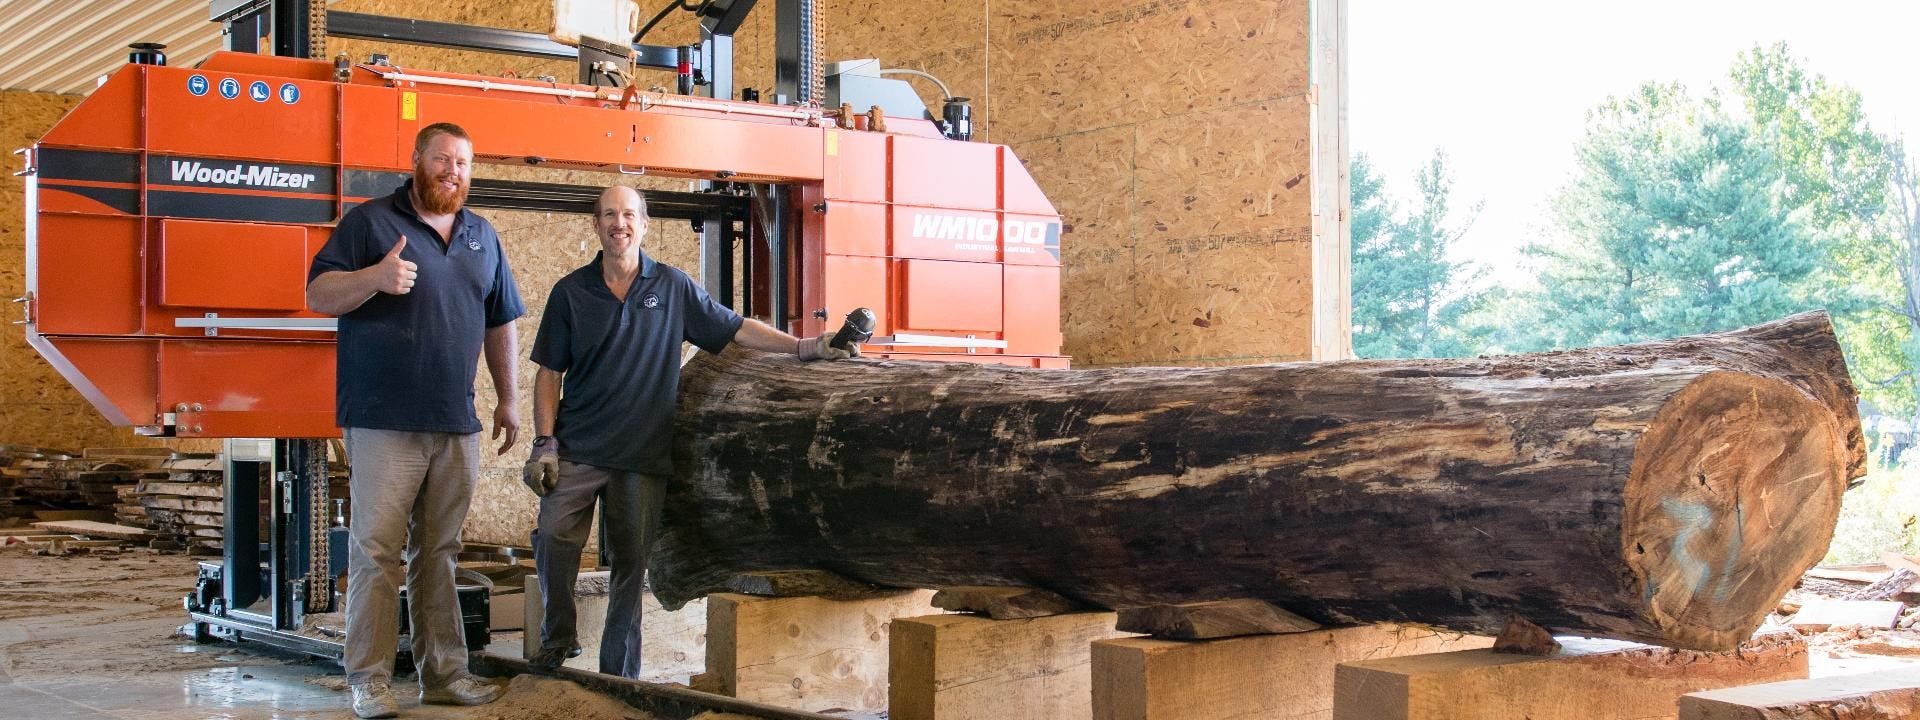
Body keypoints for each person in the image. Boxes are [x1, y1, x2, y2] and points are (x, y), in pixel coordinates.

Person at [521, 185, 856, 679]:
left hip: (641, 455)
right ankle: (559, 638)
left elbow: (737, 328)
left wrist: (805, 348)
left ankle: (619, 676)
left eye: (629, 214)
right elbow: (549, 374)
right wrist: (545, 444)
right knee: (552, 539)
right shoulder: (571, 292)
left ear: (645, 224)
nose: (620, 224)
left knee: (632, 568)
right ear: (596, 225)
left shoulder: (673, 287)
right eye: (609, 215)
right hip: (577, 448)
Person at [307, 122, 524, 719]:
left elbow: (500, 320)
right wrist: (375, 278)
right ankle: (369, 681)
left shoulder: (482, 236)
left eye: (463, 163)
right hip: (382, 421)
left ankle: (446, 675)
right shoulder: (371, 223)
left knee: (440, 552)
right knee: (376, 552)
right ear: (416, 161)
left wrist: (508, 399)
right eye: (441, 159)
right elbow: (319, 294)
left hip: (456, 422)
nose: (452, 171)